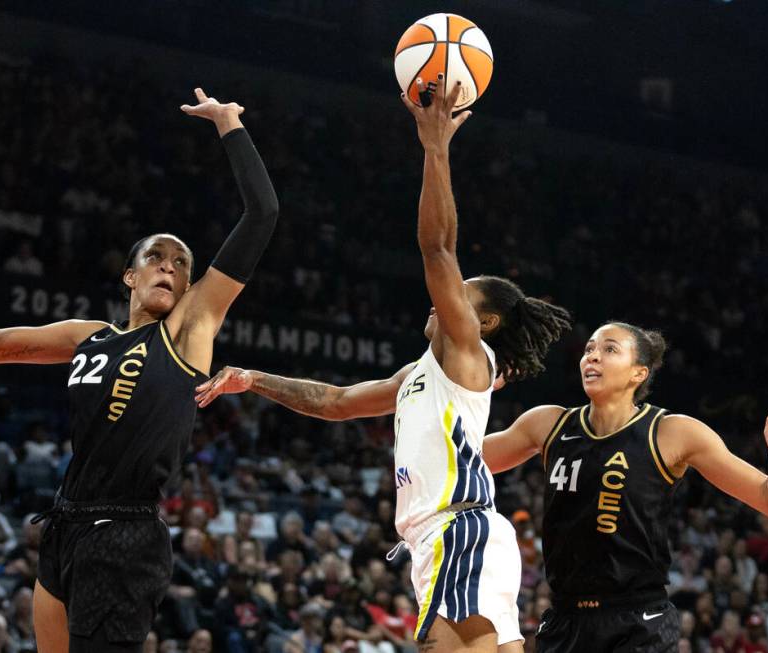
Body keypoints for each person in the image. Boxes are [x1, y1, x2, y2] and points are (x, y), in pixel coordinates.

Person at [195, 77, 572, 652]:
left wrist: (435, 147)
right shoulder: (419, 375)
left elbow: (437, 249)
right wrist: (253, 380)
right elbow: (338, 403)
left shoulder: (466, 352)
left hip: (457, 528)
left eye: (460, 295)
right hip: (451, 536)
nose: (441, 298)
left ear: (484, 321)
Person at [0, 87, 279, 653]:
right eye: (155, 259)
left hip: (127, 531)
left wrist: (229, 124)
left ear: (189, 286)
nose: (168, 266)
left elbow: (262, 215)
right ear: (129, 276)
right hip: (65, 523)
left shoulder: (189, 329)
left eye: (180, 264)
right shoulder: (89, 336)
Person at [479, 321, 768, 652]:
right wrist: (473, 397)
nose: (592, 356)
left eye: (609, 349)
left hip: (639, 622)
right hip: (565, 620)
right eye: (589, 349)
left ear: (638, 372)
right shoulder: (548, 423)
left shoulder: (672, 432)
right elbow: (463, 461)